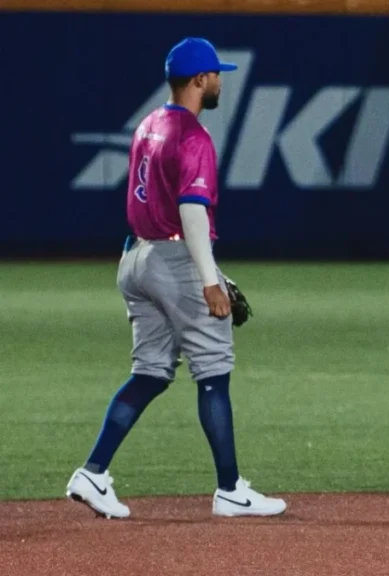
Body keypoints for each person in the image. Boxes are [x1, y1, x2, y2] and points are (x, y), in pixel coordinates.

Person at [65, 37, 285, 519]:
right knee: (214, 372)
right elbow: (191, 212)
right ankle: (230, 490)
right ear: (199, 80)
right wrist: (210, 279)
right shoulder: (193, 137)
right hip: (173, 258)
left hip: (135, 257)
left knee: (150, 372)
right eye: (215, 73)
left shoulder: (149, 124)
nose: (220, 80)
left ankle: (94, 472)